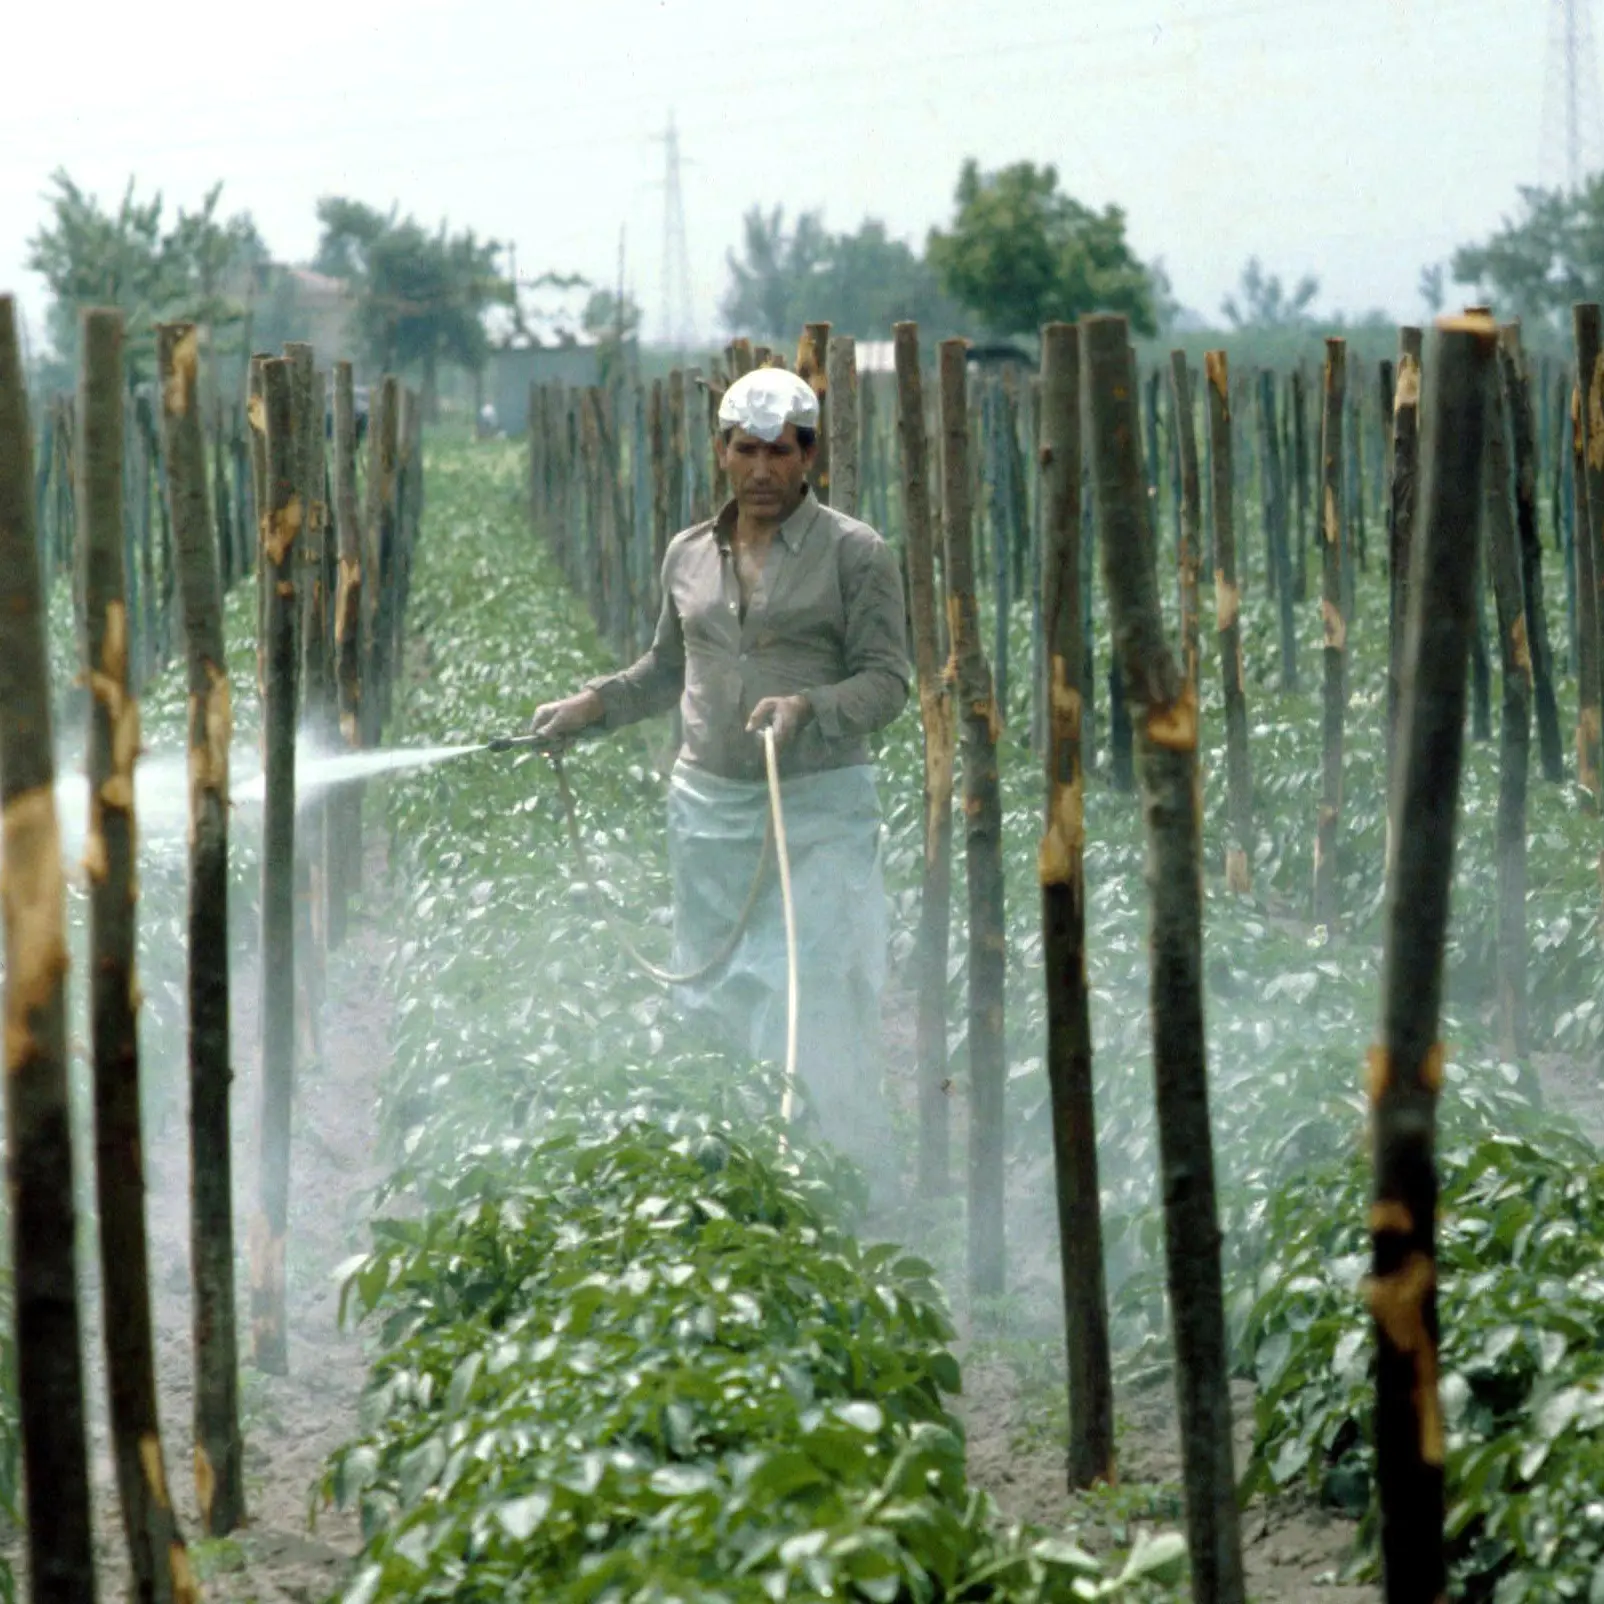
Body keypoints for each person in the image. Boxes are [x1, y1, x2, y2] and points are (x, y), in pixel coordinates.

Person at [530, 367, 909, 1184]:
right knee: (712, 996)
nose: (763, 471)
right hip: (707, 811)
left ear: (812, 455)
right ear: (722, 453)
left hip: (817, 809)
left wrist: (809, 706)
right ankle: (722, 1174)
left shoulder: (857, 553)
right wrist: (588, 708)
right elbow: (668, 670)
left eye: (781, 452)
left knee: (800, 992)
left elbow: (888, 683)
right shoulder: (688, 554)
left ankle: (827, 1177)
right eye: (747, 451)